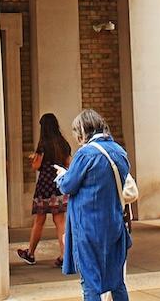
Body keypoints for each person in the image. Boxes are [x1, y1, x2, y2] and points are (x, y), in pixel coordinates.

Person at [55, 109, 131, 301]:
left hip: (88, 227)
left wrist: (61, 176)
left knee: (91, 284)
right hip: (114, 225)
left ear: (82, 130)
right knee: (117, 282)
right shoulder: (120, 151)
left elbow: (68, 186)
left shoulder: (85, 154)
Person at [16, 112, 71, 267]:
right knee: (60, 221)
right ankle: (65, 255)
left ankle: (31, 253)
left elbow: (36, 166)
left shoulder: (43, 144)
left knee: (39, 221)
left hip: (45, 186)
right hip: (59, 184)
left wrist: (34, 158)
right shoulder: (63, 143)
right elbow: (68, 164)